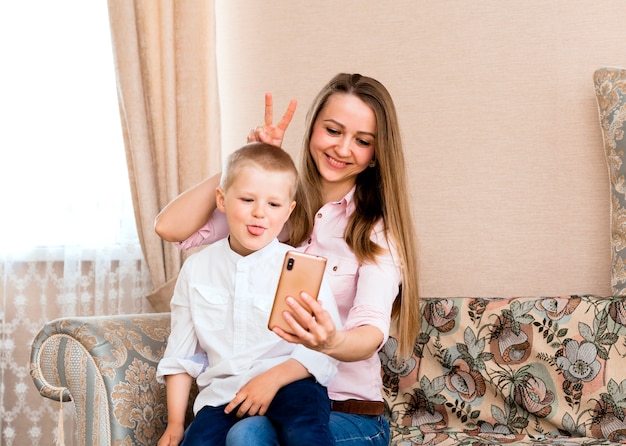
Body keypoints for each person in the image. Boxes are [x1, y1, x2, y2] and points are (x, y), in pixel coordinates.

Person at [155, 73, 420, 445]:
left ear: (376, 154)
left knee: (249, 434)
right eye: (333, 130)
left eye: (362, 141)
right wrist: (246, 163)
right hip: (252, 399)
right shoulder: (269, 211)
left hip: (348, 412)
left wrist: (327, 342)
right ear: (312, 129)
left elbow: (369, 334)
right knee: (243, 431)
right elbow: (169, 227)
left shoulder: (375, 232)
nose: (343, 149)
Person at [156, 142, 341, 446]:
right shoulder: (197, 269)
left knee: (304, 434)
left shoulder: (300, 268)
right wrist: (175, 425)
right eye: (247, 199)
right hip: (223, 397)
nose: (259, 213)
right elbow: (181, 355)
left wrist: (274, 379)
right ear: (222, 199)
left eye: (273, 204)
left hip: (290, 384)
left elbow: (323, 348)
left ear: (288, 210)